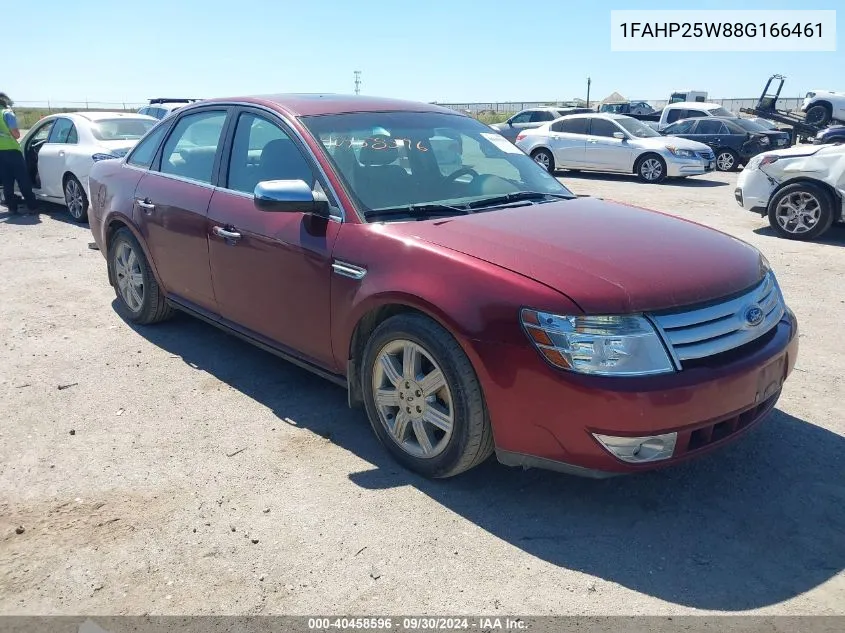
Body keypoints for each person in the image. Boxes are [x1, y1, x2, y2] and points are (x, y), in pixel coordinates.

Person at [0, 92, 38, 214]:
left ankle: (12, 208)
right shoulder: (7, 114)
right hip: (12, 151)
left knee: (7, 181)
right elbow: (16, 134)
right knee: (23, 179)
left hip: (1, 153)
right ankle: (32, 206)